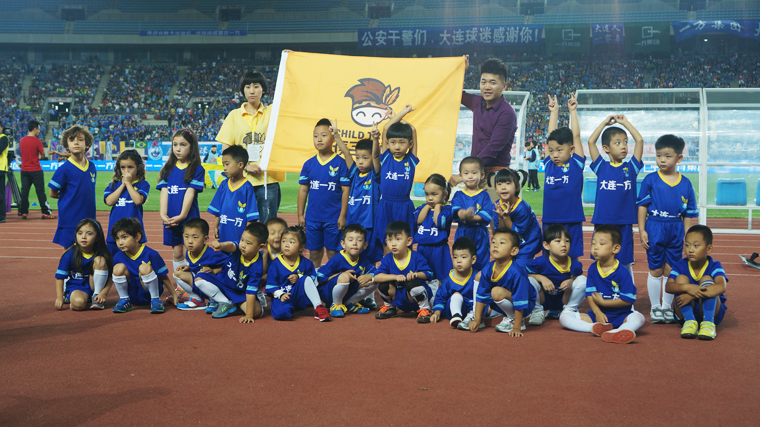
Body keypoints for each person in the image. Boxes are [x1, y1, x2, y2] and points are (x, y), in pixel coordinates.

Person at [638, 134, 698, 324]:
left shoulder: (686, 183)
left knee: (670, 270)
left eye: (667, 156)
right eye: (658, 155)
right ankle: (655, 307)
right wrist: (642, 230)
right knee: (655, 269)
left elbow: (688, 213)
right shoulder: (650, 180)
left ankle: (666, 307)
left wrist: (687, 236)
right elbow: (642, 207)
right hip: (654, 227)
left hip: (676, 229)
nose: (662, 160)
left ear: (679, 158)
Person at [217, 71, 285, 224]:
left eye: (256, 86)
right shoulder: (234, 116)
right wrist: (245, 166)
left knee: (267, 228)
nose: (252, 91)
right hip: (241, 180)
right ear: (243, 91)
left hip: (267, 180)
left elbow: (288, 97)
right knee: (240, 224)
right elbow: (226, 152)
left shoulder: (273, 112)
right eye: (247, 87)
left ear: (264, 90)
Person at [559, 225, 646, 344]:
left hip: (621, 315)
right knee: (564, 317)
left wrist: (604, 303)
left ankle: (620, 331)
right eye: (593, 243)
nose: (595, 247)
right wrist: (597, 312)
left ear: (615, 248)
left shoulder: (622, 271)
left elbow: (628, 300)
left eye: (601, 244)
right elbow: (590, 295)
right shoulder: (592, 269)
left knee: (639, 318)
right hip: (597, 316)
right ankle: (594, 328)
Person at [587, 113, 645, 285]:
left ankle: (628, 293)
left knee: (625, 262)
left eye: (625, 142)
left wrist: (625, 123)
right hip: (603, 223)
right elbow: (591, 141)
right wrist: (604, 123)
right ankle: (601, 290)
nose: (623, 146)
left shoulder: (631, 168)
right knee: (602, 258)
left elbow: (639, 140)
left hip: (624, 224)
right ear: (606, 148)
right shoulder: (601, 167)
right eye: (617, 143)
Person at [454, 56, 517, 201]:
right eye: (483, 82)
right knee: (469, 214)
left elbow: (492, 150)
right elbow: (456, 92)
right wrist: (462, 71)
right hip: (475, 177)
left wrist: (465, 173)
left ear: (504, 86)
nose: (487, 87)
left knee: (495, 215)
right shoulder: (477, 102)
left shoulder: (507, 113)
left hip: (495, 179)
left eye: (493, 83)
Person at [297, 119, 350, 268]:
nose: (319, 139)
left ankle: (333, 279)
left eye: (324, 135)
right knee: (314, 253)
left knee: (333, 253)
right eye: (315, 136)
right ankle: (315, 279)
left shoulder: (341, 163)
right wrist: (300, 215)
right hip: (313, 218)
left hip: (333, 218)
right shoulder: (309, 164)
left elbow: (346, 190)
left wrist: (343, 215)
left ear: (333, 138)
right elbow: (303, 190)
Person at [469, 228, 537, 336]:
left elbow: (520, 300)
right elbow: (481, 295)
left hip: (525, 305)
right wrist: (477, 320)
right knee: (491, 295)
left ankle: (516, 320)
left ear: (514, 251)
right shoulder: (488, 269)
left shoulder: (518, 273)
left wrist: (517, 328)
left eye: (501, 243)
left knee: (496, 292)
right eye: (493, 242)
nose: (495, 245)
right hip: (503, 302)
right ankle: (482, 317)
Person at [665, 225, 728, 340]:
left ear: (709, 249)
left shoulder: (714, 266)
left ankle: (708, 323)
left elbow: (721, 287)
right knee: (680, 279)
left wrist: (692, 294)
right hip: (685, 313)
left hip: (712, 313)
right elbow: (668, 287)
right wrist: (687, 287)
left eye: (696, 246)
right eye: (687, 245)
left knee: (706, 279)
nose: (690, 250)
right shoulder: (679, 265)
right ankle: (689, 322)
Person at [542, 94, 585, 260]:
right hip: (550, 220)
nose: (555, 154)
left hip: (571, 220)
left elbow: (576, 137)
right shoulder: (549, 165)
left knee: (572, 259)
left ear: (571, 150)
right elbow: (550, 137)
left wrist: (572, 111)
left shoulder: (576, 165)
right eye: (551, 151)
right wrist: (554, 112)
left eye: (560, 150)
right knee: (549, 259)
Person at [195, 222, 268, 320]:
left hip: (238, 293)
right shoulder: (239, 248)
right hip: (222, 283)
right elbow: (232, 245)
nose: (243, 245)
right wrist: (221, 246)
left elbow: (250, 292)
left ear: (261, 247)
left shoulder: (256, 268)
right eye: (242, 240)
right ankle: (225, 302)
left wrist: (249, 315)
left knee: (256, 312)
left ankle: (227, 303)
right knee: (199, 278)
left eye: (248, 243)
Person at [157, 129, 205, 276]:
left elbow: (190, 192)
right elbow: (164, 192)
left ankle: (194, 284)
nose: (178, 148)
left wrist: (182, 215)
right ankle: (180, 284)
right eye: (175, 144)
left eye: (183, 145)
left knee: (190, 253)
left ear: (191, 146)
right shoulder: (167, 169)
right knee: (177, 253)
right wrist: (163, 215)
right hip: (171, 219)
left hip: (188, 219)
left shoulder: (196, 169)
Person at [374, 105, 418, 252]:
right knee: (387, 241)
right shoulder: (386, 157)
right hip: (386, 204)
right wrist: (402, 113)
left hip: (404, 206)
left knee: (406, 241)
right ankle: (388, 264)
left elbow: (413, 130)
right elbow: (386, 128)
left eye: (402, 142)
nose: (397, 147)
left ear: (410, 144)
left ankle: (406, 265)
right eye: (393, 142)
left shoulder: (411, 160)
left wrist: (396, 117)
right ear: (387, 144)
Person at [111, 218, 178, 314]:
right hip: (132, 295)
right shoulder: (118, 256)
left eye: (124, 237)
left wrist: (174, 295)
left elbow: (164, 276)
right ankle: (124, 299)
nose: (120, 242)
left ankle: (155, 300)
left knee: (144, 268)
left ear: (137, 237)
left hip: (148, 293)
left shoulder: (151, 254)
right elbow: (115, 278)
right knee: (118, 268)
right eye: (117, 238)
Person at [265, 226, 332, 322]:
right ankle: (290, 307)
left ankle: (319, 307)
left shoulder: (307, 263)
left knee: (306, 278)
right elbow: (271, 286)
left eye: (291, 242)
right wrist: (281, 295)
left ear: (301, 247)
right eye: (284, 241)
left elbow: (312, 282)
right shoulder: (275, 264)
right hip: (284, 296)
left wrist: (299, 277)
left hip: (299, 296)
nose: (286, 245)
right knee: (281, 314)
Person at [373, 221, 435, 323]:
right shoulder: (388, 259)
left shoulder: (416, 257)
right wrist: (395, 277)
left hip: (414, 298)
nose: (393, 243)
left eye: (398, 239)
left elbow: (428, 274)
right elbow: (376, 277)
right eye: (390, 240)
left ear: (409, 241)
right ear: (386, 241)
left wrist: (415, 275)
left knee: (411, 283)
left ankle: (425, 309)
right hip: (398, 297)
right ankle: (390, 307)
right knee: (383, 285)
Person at [48, 126, 97, 248]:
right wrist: (71, 197)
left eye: (80, 139)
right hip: (70, 219)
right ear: (67, 146)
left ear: (87, 144)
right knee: (69, 251)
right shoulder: (64, 169)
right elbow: (52, 193)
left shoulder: (91, 167)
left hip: (89, 217)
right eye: (71, 140)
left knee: (89, 250)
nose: (76, 142)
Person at [525, 224, 587, 322]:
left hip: (564, 299)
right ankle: (537, 311)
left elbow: (577, 278)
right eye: (558, 241)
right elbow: (526, 275)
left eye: (567, 241)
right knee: (529, 280)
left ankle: (569, 310)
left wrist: (571, 281)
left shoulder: (575, 265)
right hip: (544, 299)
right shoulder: (539, 262)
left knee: (583, 280)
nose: (563, 244)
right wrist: (541, 278)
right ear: (546, 245)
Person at [316, 224, 377, 318]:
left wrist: (369, 276)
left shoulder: (363, 260)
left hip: (348, 292)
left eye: (359, 240)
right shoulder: (337, 259)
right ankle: (336, 305)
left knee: (375, 280)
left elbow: (376, 272)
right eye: (350, 240)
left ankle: (350, 303)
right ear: (343, 244)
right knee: (345, 277)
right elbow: (320, 277)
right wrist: (340, 275)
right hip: (329, 293)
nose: (355, 243)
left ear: (365, 245)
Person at [54, 218, 113, 311]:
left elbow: (110, 277)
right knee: (79, 304)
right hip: (77, 286)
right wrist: (59, 297)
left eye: (89, 234)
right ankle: (68, 296)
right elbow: (59, 277)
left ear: (98, 237)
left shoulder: (103, 254)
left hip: (93, 285)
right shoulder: (70, 254)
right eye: (80, 233)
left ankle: (96, 296)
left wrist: (103, 293)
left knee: (100, 260)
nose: (84, 237)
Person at [342, 134, 382, 264]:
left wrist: (375, 139)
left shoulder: (375, 176)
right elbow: (347, 154)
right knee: (352, 255)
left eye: (365, 158)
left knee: (370, 257)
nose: (360, 161)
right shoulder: (354, 174)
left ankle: (370, 275)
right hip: (352, 223)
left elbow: (376, 156)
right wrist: (336, 135)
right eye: (358, 157)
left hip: (369, 224)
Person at [173, 218, 229, 311]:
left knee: (202, 276)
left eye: (195, 237)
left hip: (216, 285)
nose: (190, 241)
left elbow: (229, 265)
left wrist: (213, 271)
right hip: (200, 283)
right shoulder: (188, 252)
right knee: (178, 273)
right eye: (186, 236)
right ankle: (197, 300)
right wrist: (189, 267)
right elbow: (198, 266)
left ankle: (218, 300)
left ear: (205, 239)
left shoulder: (213, 254)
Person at [208, 145, 259, 244]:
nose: (224, 168)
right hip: (223, 235)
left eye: (227, 164)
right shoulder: (223, 185)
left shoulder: (247, 187)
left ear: (240, 165)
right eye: (223, 165)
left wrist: (246, 236)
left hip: (239, 239)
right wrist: (215, 227)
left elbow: (251, 216)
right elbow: (217, 210)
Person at [451, 156, 494, 272]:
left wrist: (470, 217)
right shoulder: (458, 195)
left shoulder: (485, 196)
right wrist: (463, 214)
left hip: (479, 234)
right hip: (463, 232)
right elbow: (456, 212)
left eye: (474, 173)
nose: (470, 176)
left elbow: (486, 215)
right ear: (460, 176)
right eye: (466, 173)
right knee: (462, 261)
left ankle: (479, 282)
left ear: (482, 175)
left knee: (481, 262)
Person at [492, 168, 542, 268]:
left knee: (520, 269)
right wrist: (500, 217)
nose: (503, 187)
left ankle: (534, 274)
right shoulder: (496, 206)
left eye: (508, 183)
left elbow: (518, 233)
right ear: (496, 189)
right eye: (499, 184)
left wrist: (506, 216)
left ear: (517, 187)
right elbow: (499, 232)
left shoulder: (522, 208)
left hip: (527, 243)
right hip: (511, 243)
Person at [104, 150, 149, 256]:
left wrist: (128, 183)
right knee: (113, 262)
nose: (126, 171)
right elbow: (109, 201)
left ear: (138, 167)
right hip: (115, 233)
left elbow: (138, 200)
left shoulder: (143, 184)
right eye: (123, 167)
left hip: (133, 233)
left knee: (134, 261)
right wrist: (123, 185)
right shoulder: (114, 185)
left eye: (130, 167)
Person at [430, 237, 481, 329]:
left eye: (463, 257)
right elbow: (440, 297)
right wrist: (437, 312)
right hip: (453, 309)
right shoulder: (449, 279)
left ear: (473, 259)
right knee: (456, 296)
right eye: (455, 257)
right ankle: (456, 316)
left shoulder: (477, 277)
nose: (459, 261)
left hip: (473, 311)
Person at [413, 173, 454, 288]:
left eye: (434, 194)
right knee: (424, 274)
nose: (430, 198)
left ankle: (444, 295)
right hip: (422, 248)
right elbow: (418, 220)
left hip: (438, 249)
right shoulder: (423, 208)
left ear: (444, 194)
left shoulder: (447, 209)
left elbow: (439, 222)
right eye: (427, 194)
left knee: (443, 276)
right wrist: (427, 206)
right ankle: (429, 294)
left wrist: (437, 206)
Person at [18, 120, 55, 220]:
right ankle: (45, 212)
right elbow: (43, 155)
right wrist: (37, 157)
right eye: (38, 129)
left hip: (24, 170)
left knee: (25, 192)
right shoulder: (37, 141)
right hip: (35, 169)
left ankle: (24, 212)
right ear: (34, 129)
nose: (39, 131)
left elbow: (22, 152)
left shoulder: (22, 140)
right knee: (40, 191)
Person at [0, 122, 8, 223]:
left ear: (1, 128)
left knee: (0, 194)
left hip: (0, 168)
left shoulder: (4, 138)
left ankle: (1, 215)